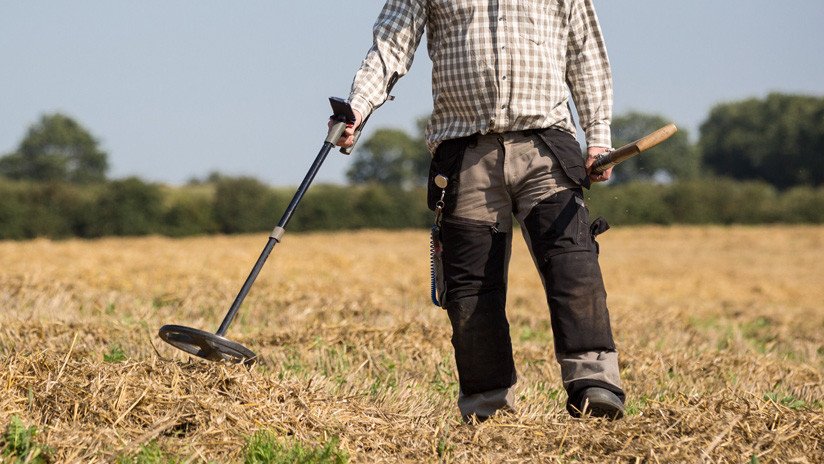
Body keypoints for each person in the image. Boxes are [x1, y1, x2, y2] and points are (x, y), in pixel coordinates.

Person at [333, 0, 625, 421]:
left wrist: (598, 135)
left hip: (545, 145)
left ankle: (595, 384)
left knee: (573, 262)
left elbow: (585, 52)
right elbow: (390, 47)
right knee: (471, 286)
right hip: (466, 151)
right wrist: (357, 107)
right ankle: (486, 407)